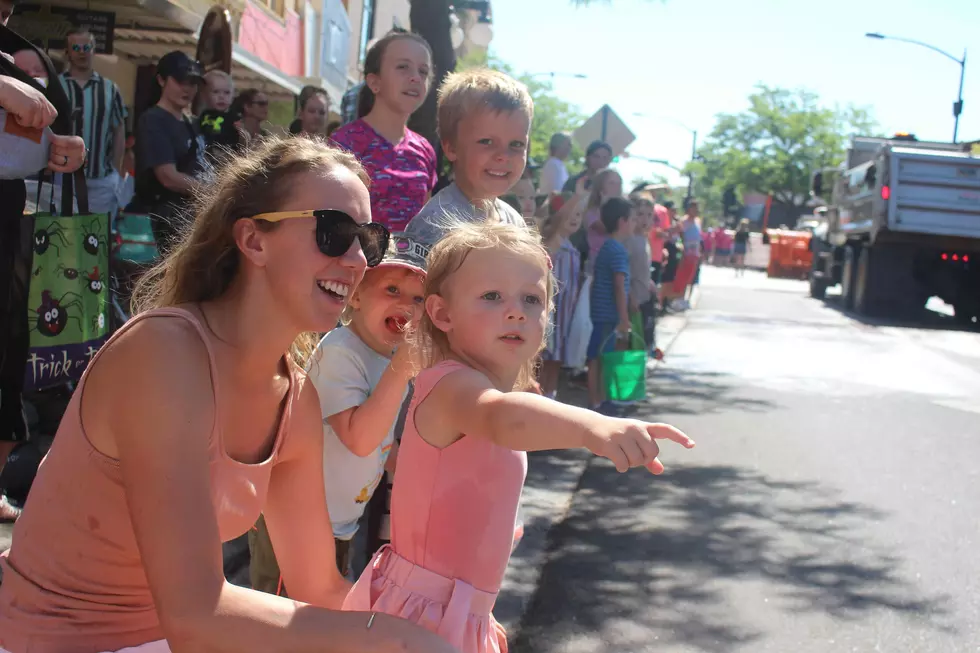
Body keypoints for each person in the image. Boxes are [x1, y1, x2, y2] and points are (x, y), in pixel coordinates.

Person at [0, 135, 458, 653]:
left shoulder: (296, 397)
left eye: (369, 240)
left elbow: (320, 588)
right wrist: (393, 639)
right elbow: (198, 616)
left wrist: (442, 629)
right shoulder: (163, 353)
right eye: (334, 232)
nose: (358, 260)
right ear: (254, 240)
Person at [342, 221, 695, 653]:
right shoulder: (452, 387)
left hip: (460, 610)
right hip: (422, 616)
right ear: (441, 314)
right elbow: (500, 419)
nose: (516, 311)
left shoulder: (496, 391)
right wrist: (593, 426)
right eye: (492, 296)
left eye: (532, 299)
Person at [249, 234, 426, 593]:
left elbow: (383, 446)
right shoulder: (342, 352)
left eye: (418, 298)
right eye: (392, 290)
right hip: (298, 523)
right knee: (283, 624)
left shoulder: (389, 361)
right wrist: (402, 372)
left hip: (338, 524)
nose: (406, 304)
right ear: (356, 296)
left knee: (317, 624)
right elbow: (359, 438)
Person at [0, 16, 86, 522]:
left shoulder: (15, 48)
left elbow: (38, 141)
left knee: (10, 357)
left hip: (16, 232)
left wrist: (64, 149)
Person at [404, 68, 530, 247]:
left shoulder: (514, 221)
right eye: (486, 141)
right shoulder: (435, 225)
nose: (503, 155)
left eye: (516, 144)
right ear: (451, 148)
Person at [330, 30, 437, 233]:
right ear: (374, 82)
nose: (415, 77)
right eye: (403, 67)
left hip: (409, 263)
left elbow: (424, 222)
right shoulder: (343, 144)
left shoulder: (425, 150)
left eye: (423, 71)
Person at [133, 50, 206, 256]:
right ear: (161, 80)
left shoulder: (191, 121)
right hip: (161, 221)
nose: (188, 89)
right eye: (181, 81)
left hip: (189, 218)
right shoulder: (153, 120)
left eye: (193, 83)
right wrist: (211, 193)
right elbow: (168, 177)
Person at [58, 27, 126, 217]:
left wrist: (116, 171)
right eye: (76, 48)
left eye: (86, 47)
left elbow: (119, 129)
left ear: (94, 49)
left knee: (96, 239)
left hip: (101, 180)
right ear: (67, 52)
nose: (82, 52)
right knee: (63, 238)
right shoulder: (56, 86)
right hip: (62, 178)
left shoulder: (110, 89)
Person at [538, 184, 587, 398]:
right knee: (543, 359)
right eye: (570, 212)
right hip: (550, 312)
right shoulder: (552, 242)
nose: (574, 217)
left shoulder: (572, 247)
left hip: (565, 315)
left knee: (555, 361)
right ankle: (537, 398)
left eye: (579, 213)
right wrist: (577, 194)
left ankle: (551, 397)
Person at [586, 197, 633, 414]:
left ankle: (598, 400)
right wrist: (624, 318)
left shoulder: (607, 247)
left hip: (599, 312)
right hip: (608, 314)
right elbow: (619, 285)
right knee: (602, 358)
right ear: (622, 221)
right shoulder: (617, 250)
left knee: (596, 357)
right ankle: (601, 402)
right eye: (631, 219)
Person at [626, 193, 657, 353]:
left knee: (642, 339)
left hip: (643, 297)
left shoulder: (644, 239)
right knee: (631, 342)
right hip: (633, 301)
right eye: (640, 214)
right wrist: (631, 297)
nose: (645, 219)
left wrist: (649, 282)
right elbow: (626, 271)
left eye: (649, 215)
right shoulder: (630, 240)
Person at [577, 167, 623, 267]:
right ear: (600, 186)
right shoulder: (591, 211)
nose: (616, 187)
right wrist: (605, 205)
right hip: (597, 261)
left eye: (619, 183)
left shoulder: (624, 211)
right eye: (611, 183)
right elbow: (607, 230)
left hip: (617, 260)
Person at [668, 198, 703, 311]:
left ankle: (685, 298)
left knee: (690, 278)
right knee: (681, 277)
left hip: (695, 254)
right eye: (693, 208)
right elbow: (676, 235)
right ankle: (677, 299)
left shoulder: (697, 221)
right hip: (685, 254)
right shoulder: (683, 222)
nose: (696, 210)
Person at [198, 70, 241, 155]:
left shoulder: (233, 117)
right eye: (216, 92)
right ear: (204, 95)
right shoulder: (204, 115)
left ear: (232, 96)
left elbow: (241, 140)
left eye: (227, 93)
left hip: (226, 156)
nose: (221, 97)